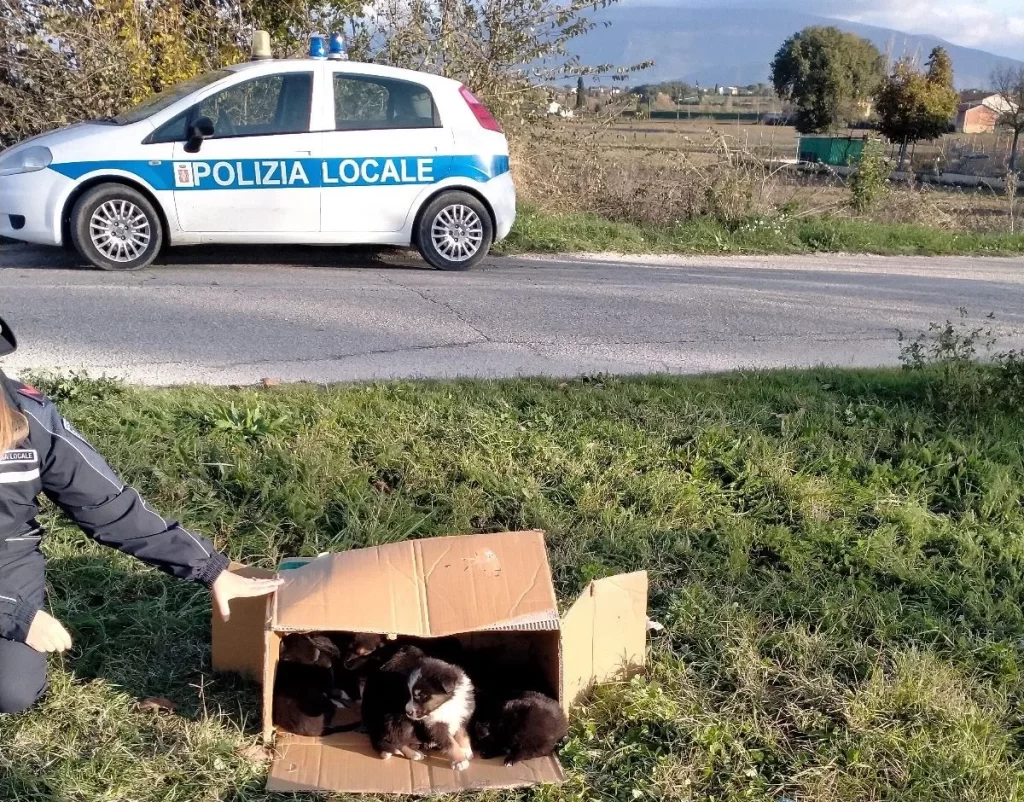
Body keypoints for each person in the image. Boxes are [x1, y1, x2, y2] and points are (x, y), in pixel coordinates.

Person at [0, 315, 282, 713]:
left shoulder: (27, 416)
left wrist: (210, 568)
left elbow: (108, 506)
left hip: (6, 556)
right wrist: (14, 614)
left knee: (10, 690)